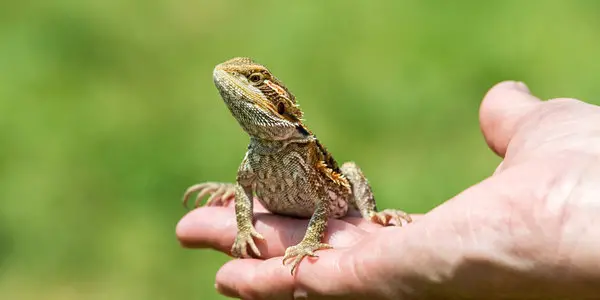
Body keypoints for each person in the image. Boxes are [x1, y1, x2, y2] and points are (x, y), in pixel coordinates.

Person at [176, 81, 600, 299]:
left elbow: (325, 203)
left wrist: (308, 243)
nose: (237, 84)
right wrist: (245, 224)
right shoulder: (253, 155)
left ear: (278, 104)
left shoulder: (301, 151)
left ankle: (374, 213)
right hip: (285, 206)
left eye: (251, 80)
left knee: (353, 170)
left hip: (335, 210)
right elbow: (245, 186)